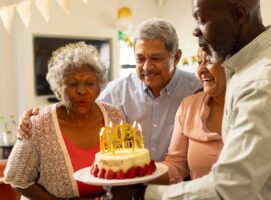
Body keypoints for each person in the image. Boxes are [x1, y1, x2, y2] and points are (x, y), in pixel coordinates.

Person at [122, 0, 271, 199]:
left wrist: (142, 194)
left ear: (239, 15)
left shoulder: (264, 81)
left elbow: (229, 188)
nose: (195, 31)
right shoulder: (255, 66)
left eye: (202, 19)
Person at [18, 18, 201, 162]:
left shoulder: (196, 89)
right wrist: (36, 117)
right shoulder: (116, 91)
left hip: (179, 186)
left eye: (156, 58)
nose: (147, 67)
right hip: (130, 187)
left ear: (176, 57)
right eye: (140, 59)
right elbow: (79, 107)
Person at [4, 42, 125, 199]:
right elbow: (17, 178)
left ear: (99, 87)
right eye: (73, 84)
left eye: (89, 83)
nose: (82, 91)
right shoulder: (38, 125)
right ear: (57, 89)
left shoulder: (115, 116)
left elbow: (127, 171)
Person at [153, 48, 225, 185]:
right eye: (199, 62)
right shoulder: (189, 106)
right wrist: (140, 173)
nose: (200, 70)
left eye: (209, 61)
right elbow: (176, 166)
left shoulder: (255, 108)